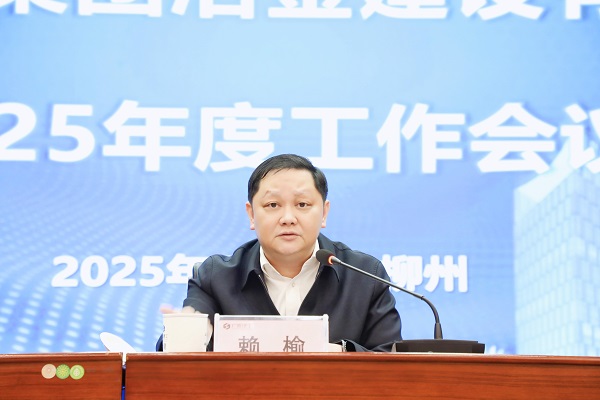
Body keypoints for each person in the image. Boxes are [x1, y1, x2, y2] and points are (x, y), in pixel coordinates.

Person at [157, 154, 401, 352]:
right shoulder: (216, 277)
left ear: (324, 213)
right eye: (272, 205)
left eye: (302, 205)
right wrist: (184, 333)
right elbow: (178, 359)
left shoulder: (365, 275)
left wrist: (339, 352)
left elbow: (391, 360)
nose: (288, 218)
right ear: (251, 214)